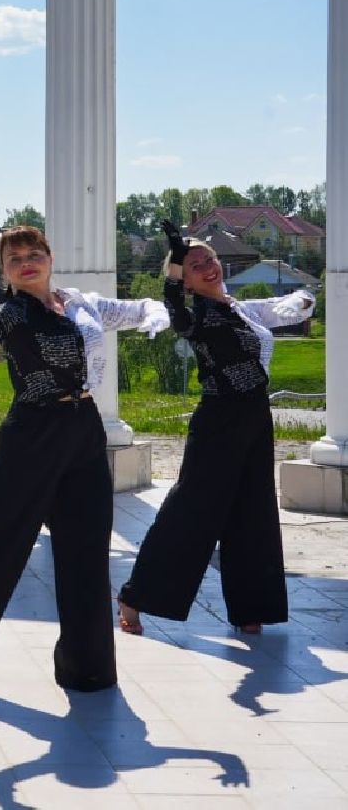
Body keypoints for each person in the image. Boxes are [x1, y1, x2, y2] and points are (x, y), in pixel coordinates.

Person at [0, 206, 169, 690]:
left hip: (84, 429)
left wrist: (158, 310)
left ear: (49, 257)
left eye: (34, 253)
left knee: (87, 551)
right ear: (4, 271)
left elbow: (134, 310)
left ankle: (86, 669)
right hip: (34, 433)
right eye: (14, 257)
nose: (27, 261)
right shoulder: (11, 315)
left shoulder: (80, 304)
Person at [116, 221, 314, 637]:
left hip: (256, 416)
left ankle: (250, 607)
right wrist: (171, 271)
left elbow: (280, 310)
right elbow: (173, 309)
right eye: (194, 265)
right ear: (185, 280)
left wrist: (305, 298)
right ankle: (135, 597)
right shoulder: (196, 315)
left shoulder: (234, 307)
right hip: (219, 419)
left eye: (209, 259)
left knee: (254, 511)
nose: (208, 267)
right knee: (192, 511)